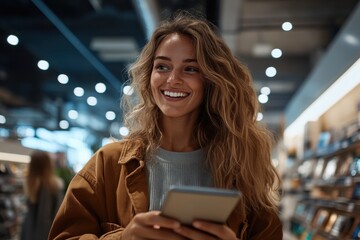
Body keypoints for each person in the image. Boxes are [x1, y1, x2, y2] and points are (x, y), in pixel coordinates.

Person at [49, 11, 282, 239]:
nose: (172, 79)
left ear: (211, 80)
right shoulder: (108, 165)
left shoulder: (240, 168)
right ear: (149, 75)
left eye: (190, 68)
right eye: (162, 66)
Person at [20, 150, 64, 240]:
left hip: (29, 231)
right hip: (48, 232)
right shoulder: (54, 186)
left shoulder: (30, 185)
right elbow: (58, 214)